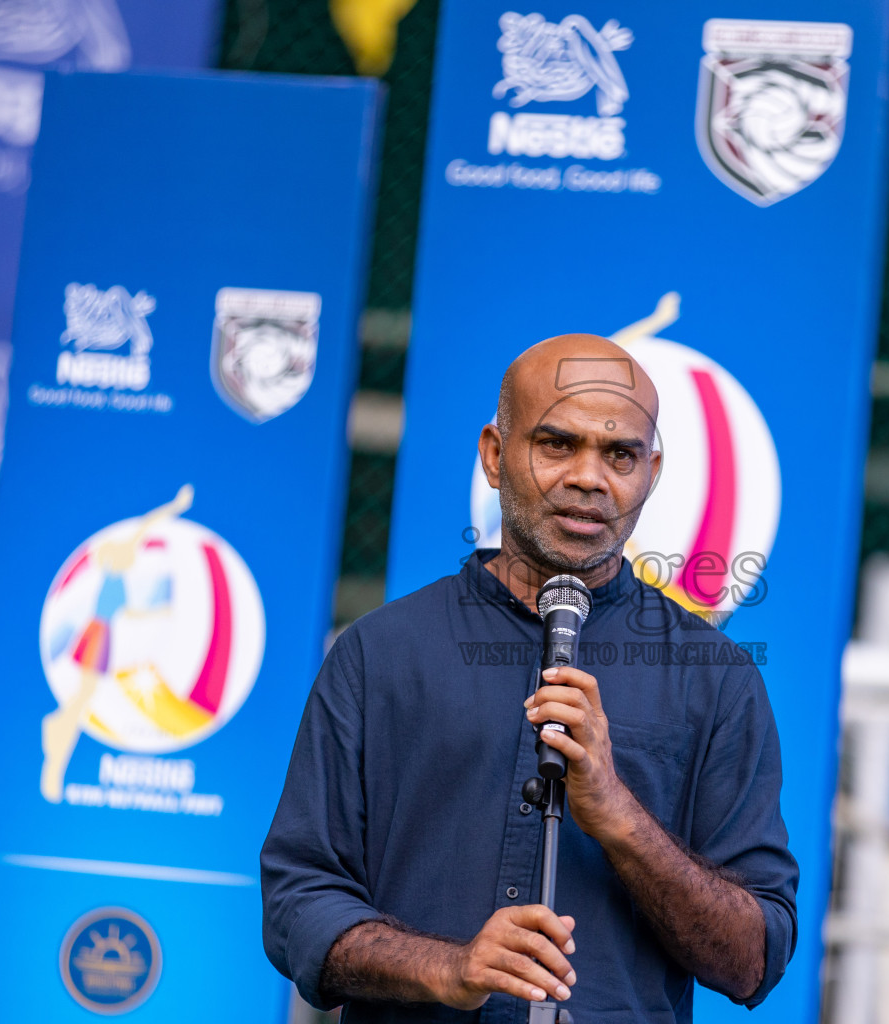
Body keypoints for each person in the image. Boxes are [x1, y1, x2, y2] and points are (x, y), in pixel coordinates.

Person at [261, 334, 796, 1022]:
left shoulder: (716, 680)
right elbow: (296, 904)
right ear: (493, 455)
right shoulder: (379, 655)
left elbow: (753, 960)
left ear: (652, 473)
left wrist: (618, 815)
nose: (589, 478)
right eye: (556, 444)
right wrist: (448, 968)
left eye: (620, 455)